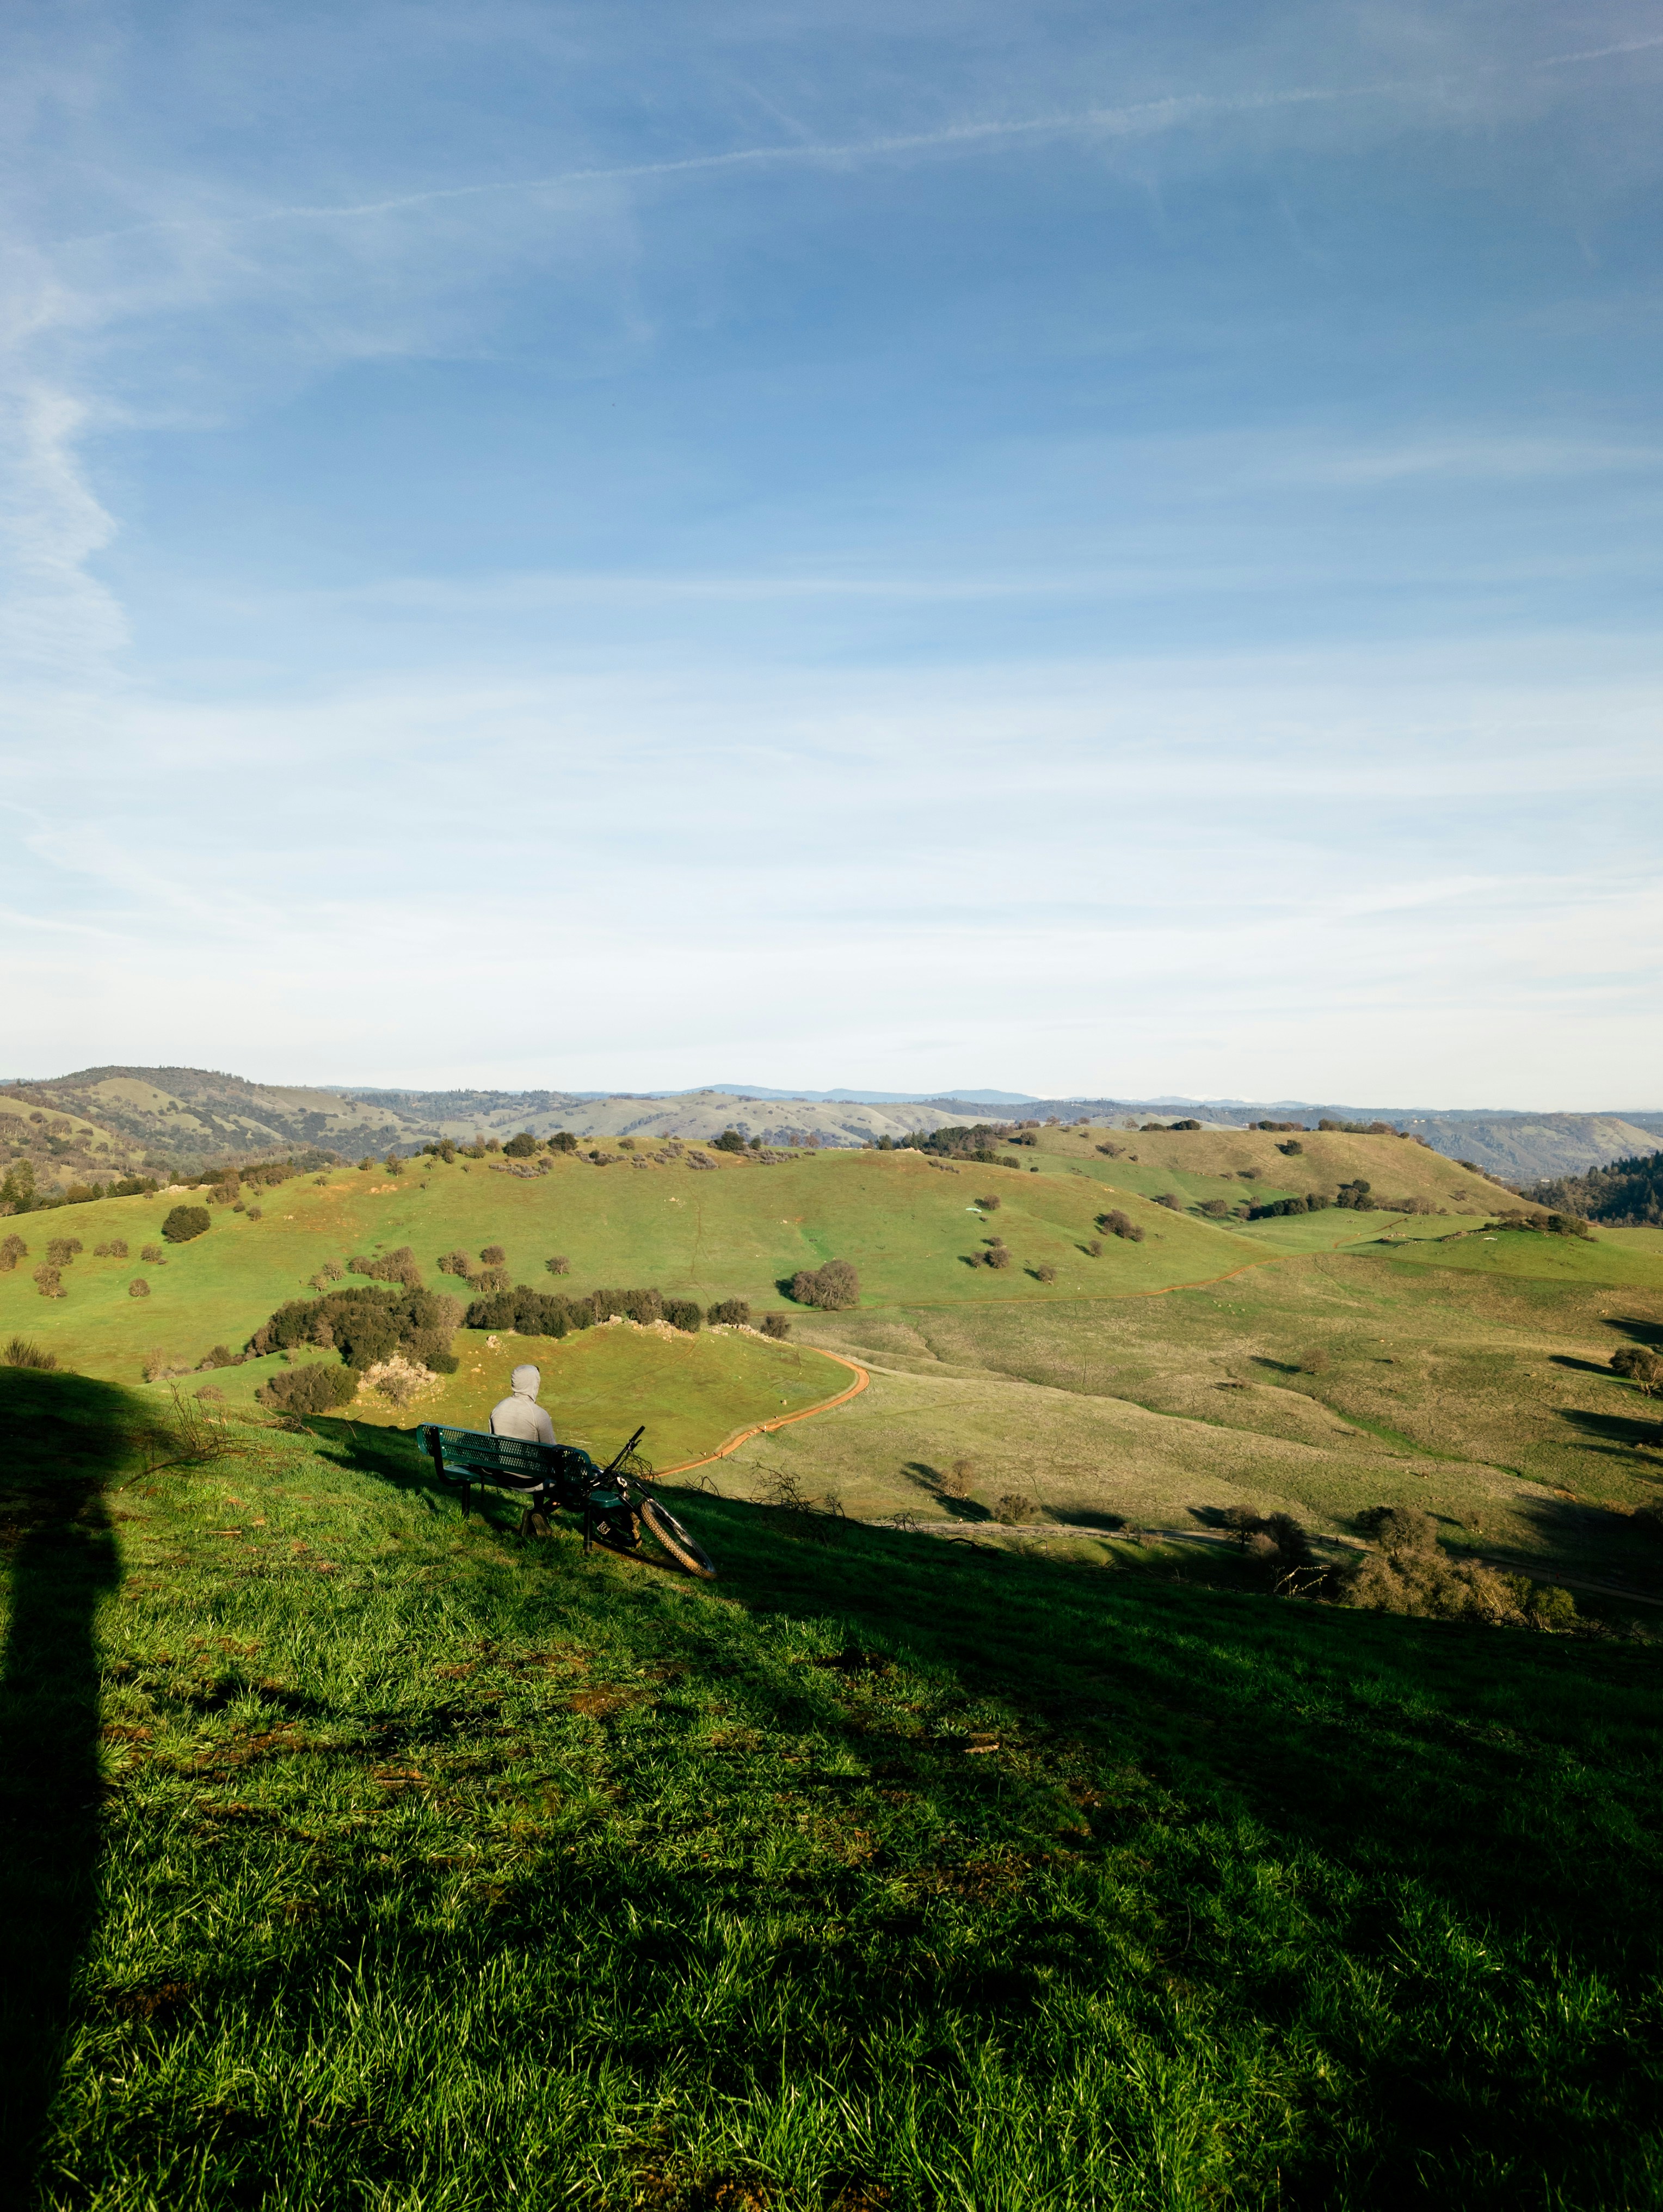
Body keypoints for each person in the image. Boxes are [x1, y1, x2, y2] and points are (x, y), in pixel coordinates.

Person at [489, 1364, 556, 1445]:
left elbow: (491, 1441)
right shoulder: (539, 1415)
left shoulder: (499, 1408)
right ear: (534, 1384)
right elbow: (551, 1449)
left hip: (500, 1457)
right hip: (529, 1458)